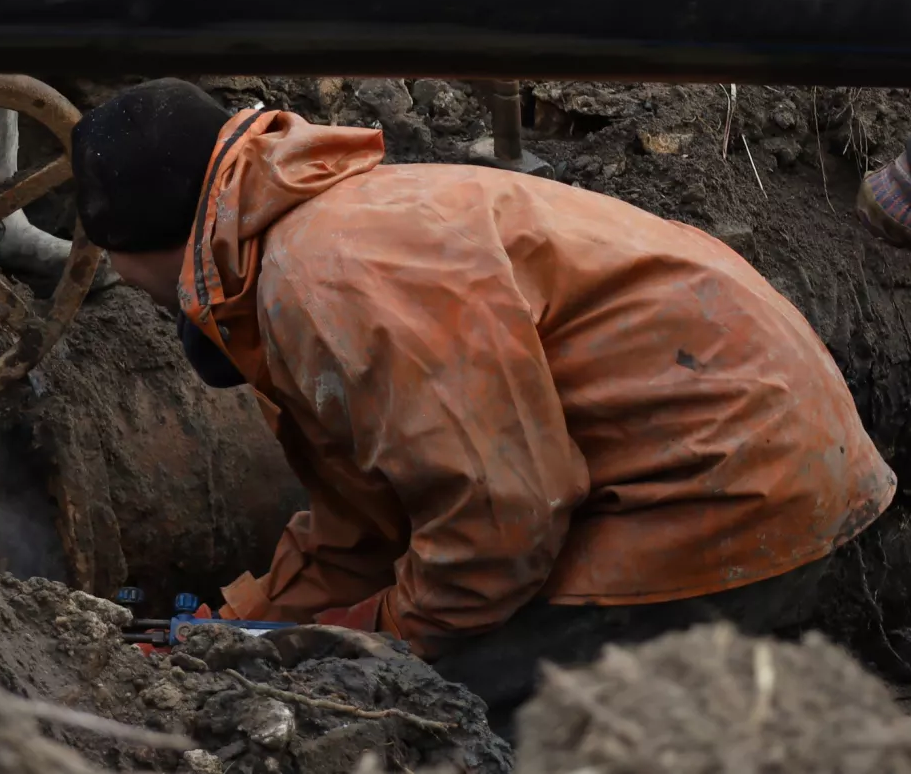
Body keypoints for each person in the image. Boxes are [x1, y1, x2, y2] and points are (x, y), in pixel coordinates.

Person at [69, 78, 897, 737]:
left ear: (140, 238)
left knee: (430, 718)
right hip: (747, 460)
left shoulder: (330, 273)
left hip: (716, 485)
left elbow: (503, 513)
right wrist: (239, 625)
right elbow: (363, 520)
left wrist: (387, 634)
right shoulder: (301, 238)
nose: (132, 290)